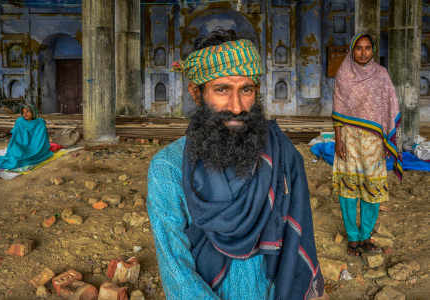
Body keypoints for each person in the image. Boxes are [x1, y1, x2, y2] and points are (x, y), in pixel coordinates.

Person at [147, 30, 325, 300]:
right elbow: (177, 272)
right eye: (222, 90)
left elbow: (298, 243)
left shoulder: (282, 154)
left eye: (246, 90)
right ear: (196, 93)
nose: (238, 106)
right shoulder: (167, 168)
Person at [332, 33, 402, 256]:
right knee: (349, 189)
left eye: (367, 48)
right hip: (350, 138)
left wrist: (386, 140)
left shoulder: (381, 75)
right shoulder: (344, 74)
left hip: (374, 141)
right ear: (352, 50)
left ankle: (366, 235)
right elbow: (338, 110)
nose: (363, 52)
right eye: (359, 48)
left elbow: (389, 105)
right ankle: (352, 237)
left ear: (373, 50)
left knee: (373, 188)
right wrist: (338, 140)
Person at [0, 104, 53, 170]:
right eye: (23, 112)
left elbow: (41, 137)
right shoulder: (20, 121)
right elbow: (15, 138)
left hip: (35, 146)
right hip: (22, 144)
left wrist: (33, 145)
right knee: (16, 151)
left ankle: (30, 154)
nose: (25, 114)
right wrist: (19, 144)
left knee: (28, 155)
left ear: (33, 112)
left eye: (27, 112)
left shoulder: (39, 122)